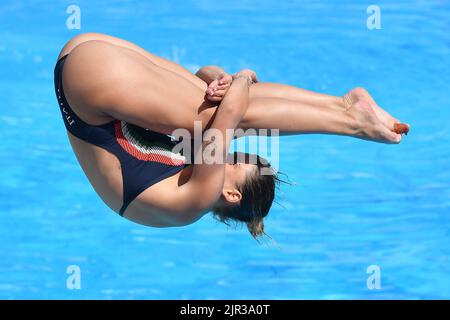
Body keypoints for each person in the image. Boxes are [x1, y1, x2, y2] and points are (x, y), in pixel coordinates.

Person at [54, 33, 409, 239]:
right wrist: (221, 78)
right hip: (86, 72)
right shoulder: (187, 172)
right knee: (213, 109)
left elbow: (229, 114)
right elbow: (199, 78)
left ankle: (350, 118)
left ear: (231, 192)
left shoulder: (193, 202)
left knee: (229, 119)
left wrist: (243, 77)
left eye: (236, 161)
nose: (230, 155)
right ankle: (344, 105)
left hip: (89, 75)